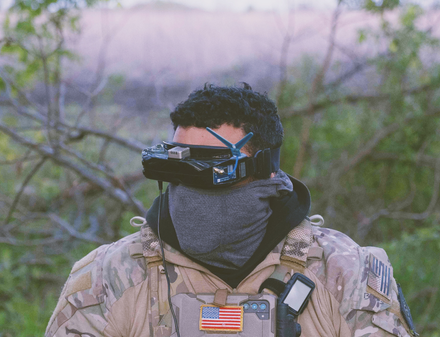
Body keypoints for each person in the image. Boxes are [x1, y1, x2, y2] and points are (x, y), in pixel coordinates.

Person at [45, 84, 417, 337]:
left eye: (212, 169)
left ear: (267, 169)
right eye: (178, 168)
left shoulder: (344, 272)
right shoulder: (110, 277)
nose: (191, 189)